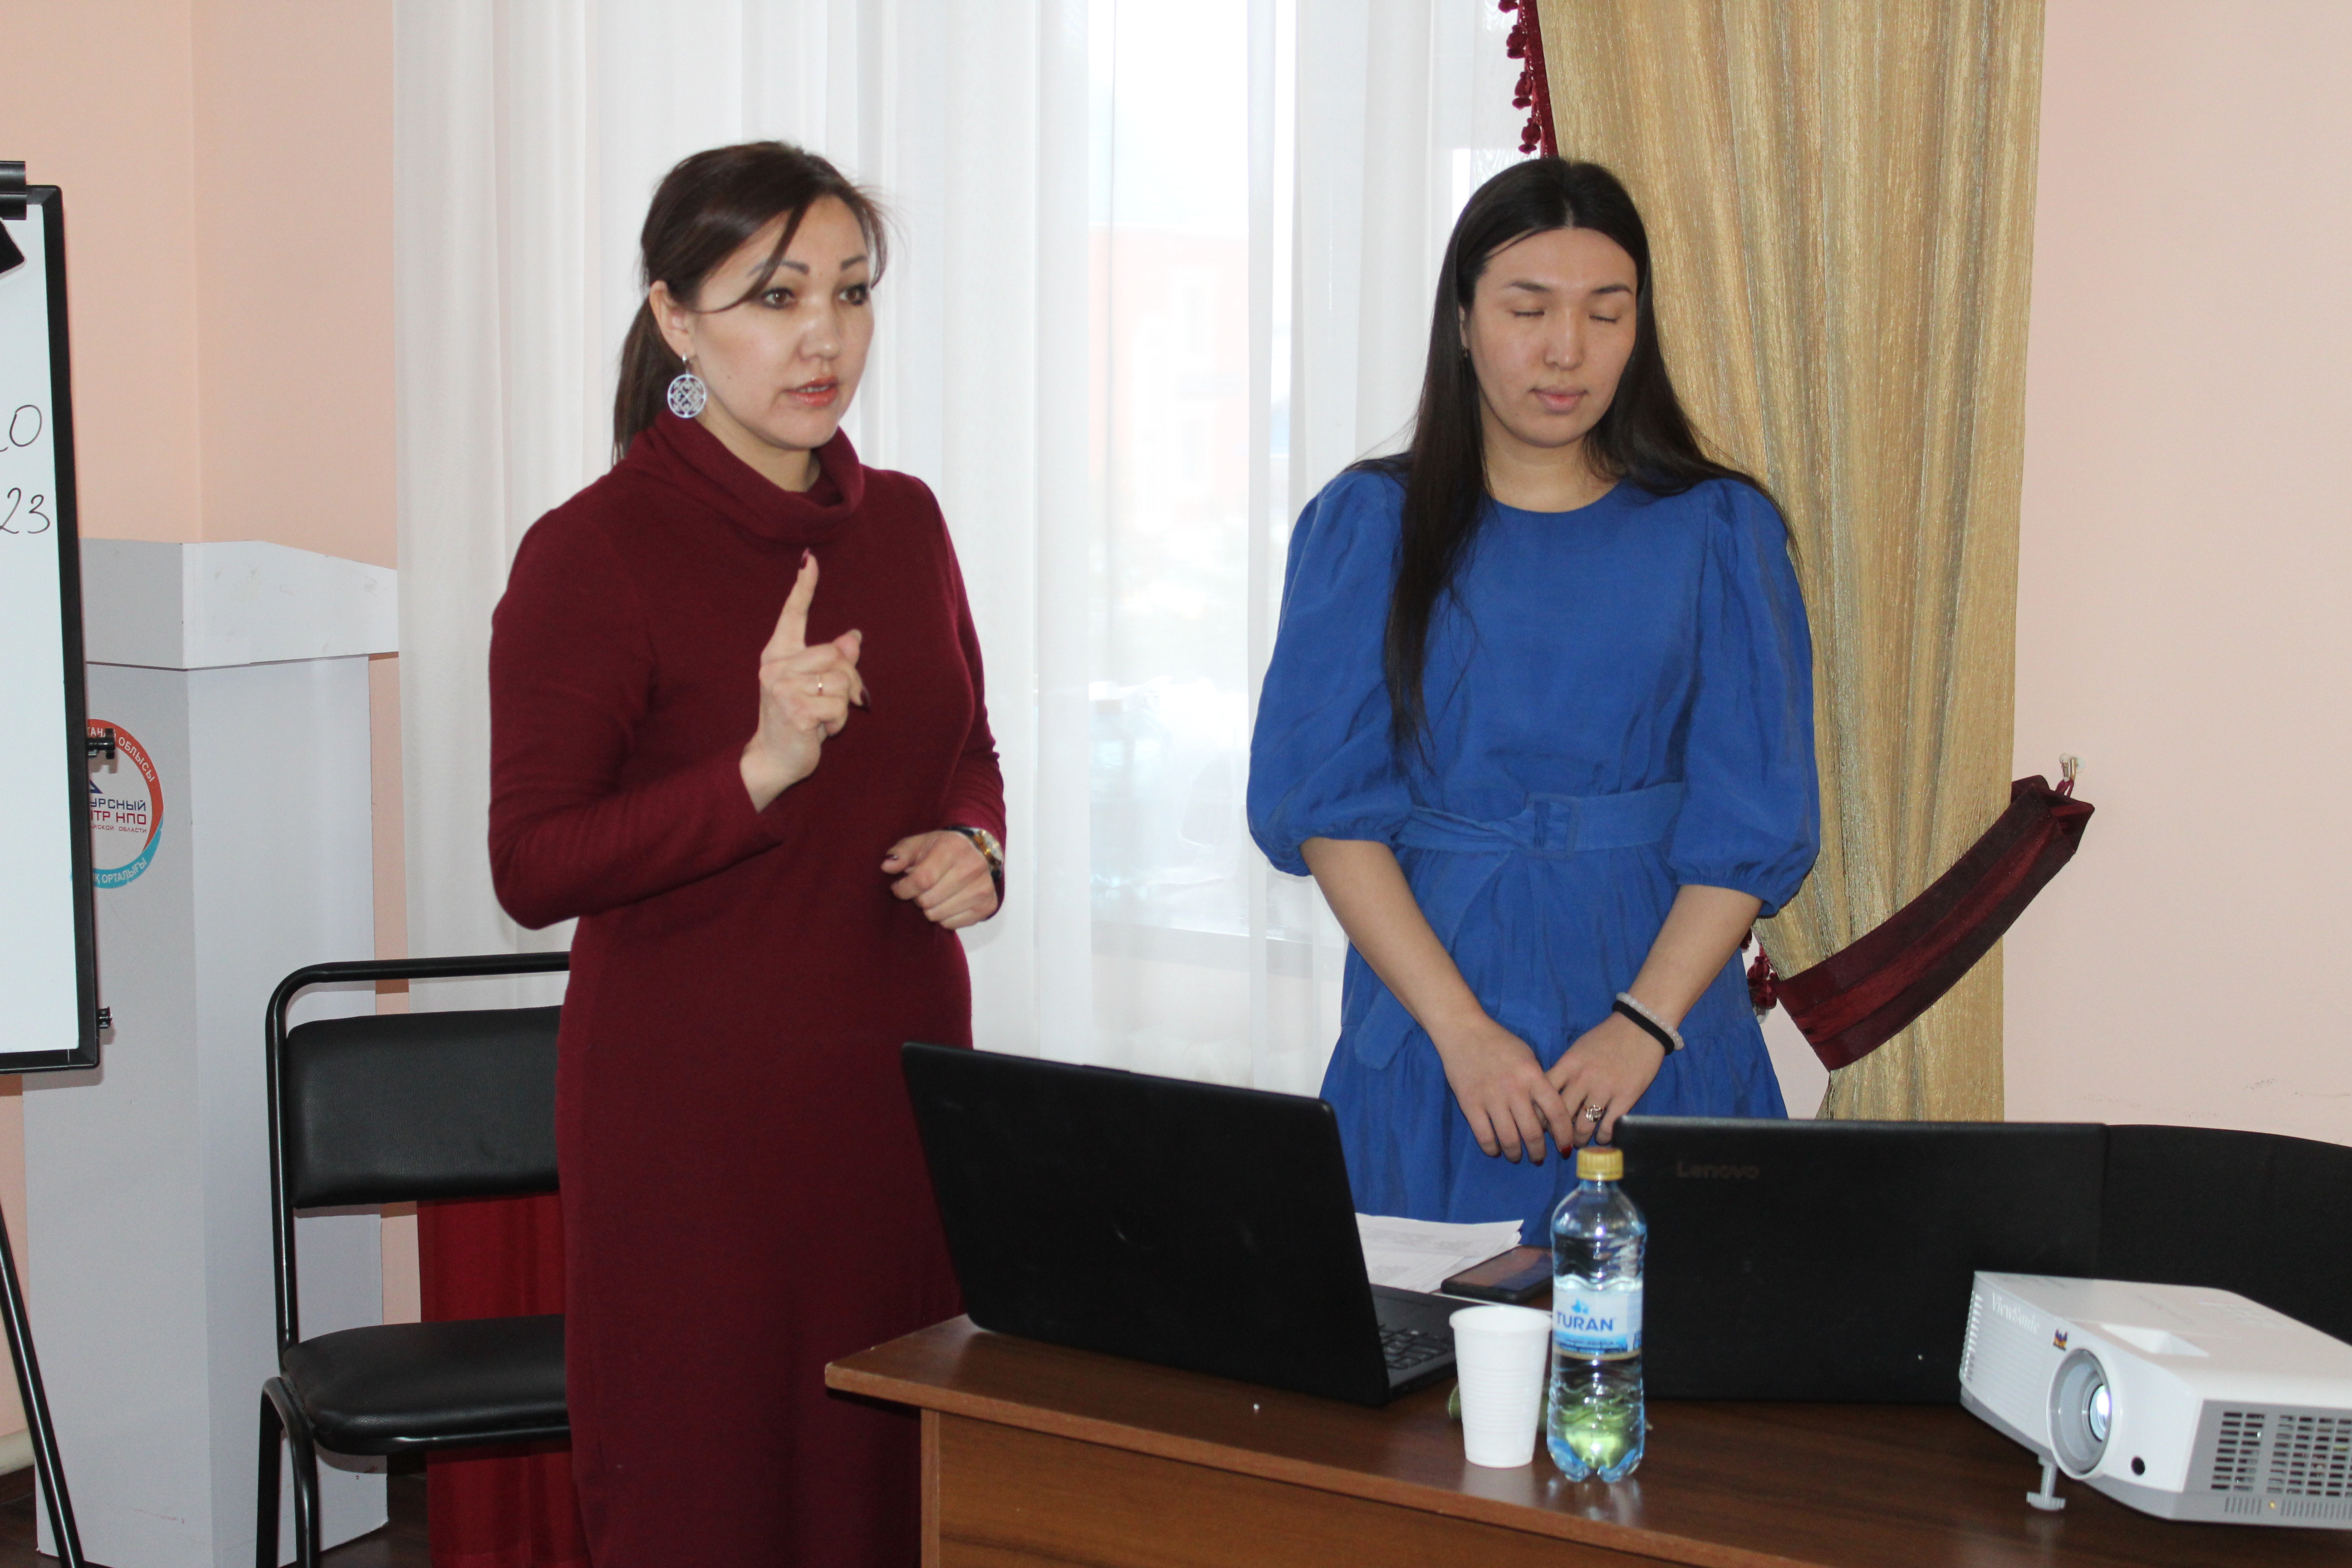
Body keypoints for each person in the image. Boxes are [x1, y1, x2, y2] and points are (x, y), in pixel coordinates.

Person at [489, 142, 1004, 1565]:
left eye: (851, 291)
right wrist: (759, 769)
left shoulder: (907, 521)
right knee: (707, 1496)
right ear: (675, 318)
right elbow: (532, 862)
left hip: (895, 1096)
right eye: (775, 297)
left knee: (884, 1492)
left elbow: (967, 744)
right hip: (695, 1128)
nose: (823, 335)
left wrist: (977, 843)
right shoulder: (591, 553)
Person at [1247, 158, 1818, 1240]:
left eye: (1607, 313)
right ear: (1463, 322)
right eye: (1528, 309)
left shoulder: (1719, 529)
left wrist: (1643, 1025)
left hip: (1660, 1013)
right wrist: (1463, 1032)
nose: (1567, 350)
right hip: (1433, 1012)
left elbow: (1754, 821)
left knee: (1675, 1328)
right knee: (1421, 1330)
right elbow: (1326, 809)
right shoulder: (1368, 524)